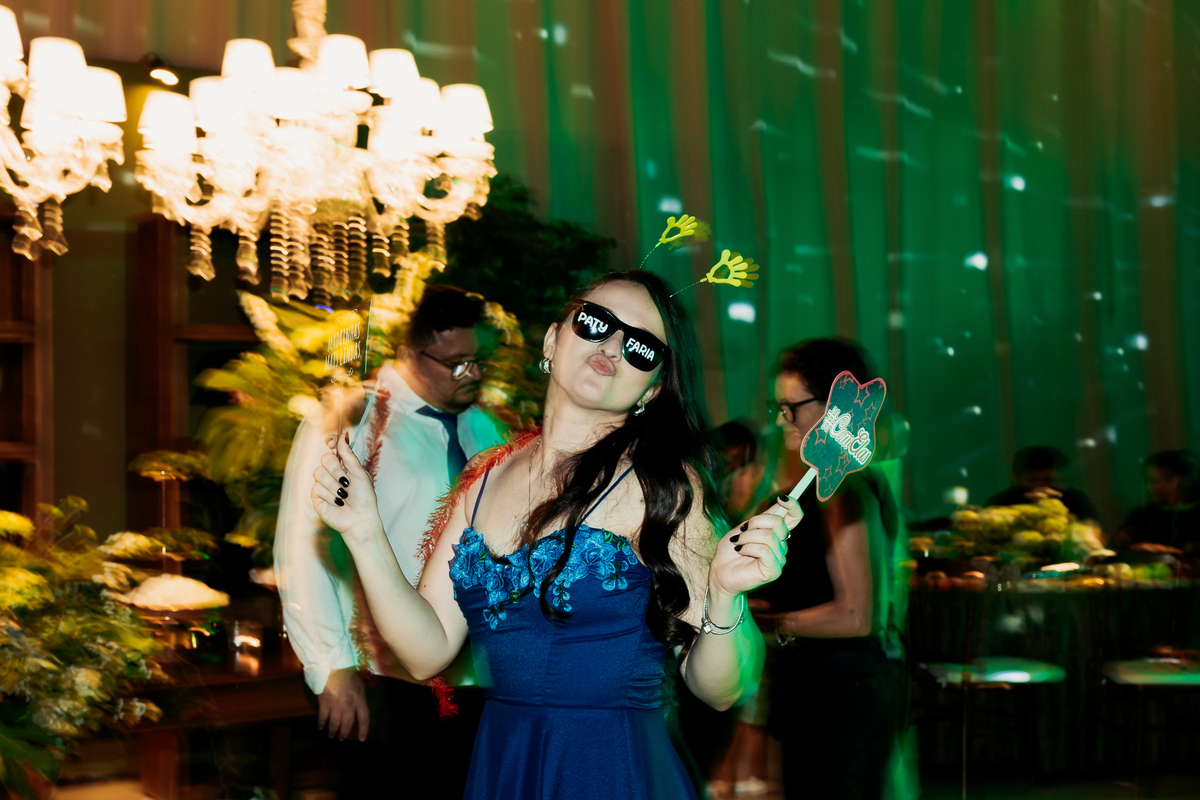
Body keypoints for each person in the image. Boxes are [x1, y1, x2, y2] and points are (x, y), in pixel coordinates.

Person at [310, 271, 798, 800]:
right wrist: (364, 531)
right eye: (596, 323)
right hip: (503, 764)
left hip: (611, 771)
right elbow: (426, 652)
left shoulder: (664, 488)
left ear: (652, 389)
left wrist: (724, 597)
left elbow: (722, 691)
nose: (612, 346)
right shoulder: (483, 476)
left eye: (640, 347)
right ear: (552, 339)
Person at [274, 285, 506, 799]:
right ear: (410, 353)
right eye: (457, 363)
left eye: (479, 362)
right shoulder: (352, 418)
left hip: (478, 679)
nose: (473, 374)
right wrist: (330, 665)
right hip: (385, 679)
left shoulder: (485, 427)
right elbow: (303, 540)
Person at [759, 337, 904, 800]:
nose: (781, 419)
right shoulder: (826, 484)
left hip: (838, 692)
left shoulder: (845, 490)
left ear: (834, 407)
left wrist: (773, 625)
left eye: (791, 407)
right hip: (822, 685)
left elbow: (857, 616)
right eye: (778, 407)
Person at [1114, 449, 1200, 554]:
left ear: (1177, 480)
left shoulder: (1196, 513)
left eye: (1154, 481)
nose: (1148, 487)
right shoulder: (1144, 513)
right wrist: (1122, 539)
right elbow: (1119, 541)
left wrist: (1170, 553)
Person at [985, 445, 1099, 522]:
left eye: (1048, 480)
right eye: (1033, 480)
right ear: (1015, 479)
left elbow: (1093, 533)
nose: (1042, 488)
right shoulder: (1000, 503)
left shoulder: (1076, 501)